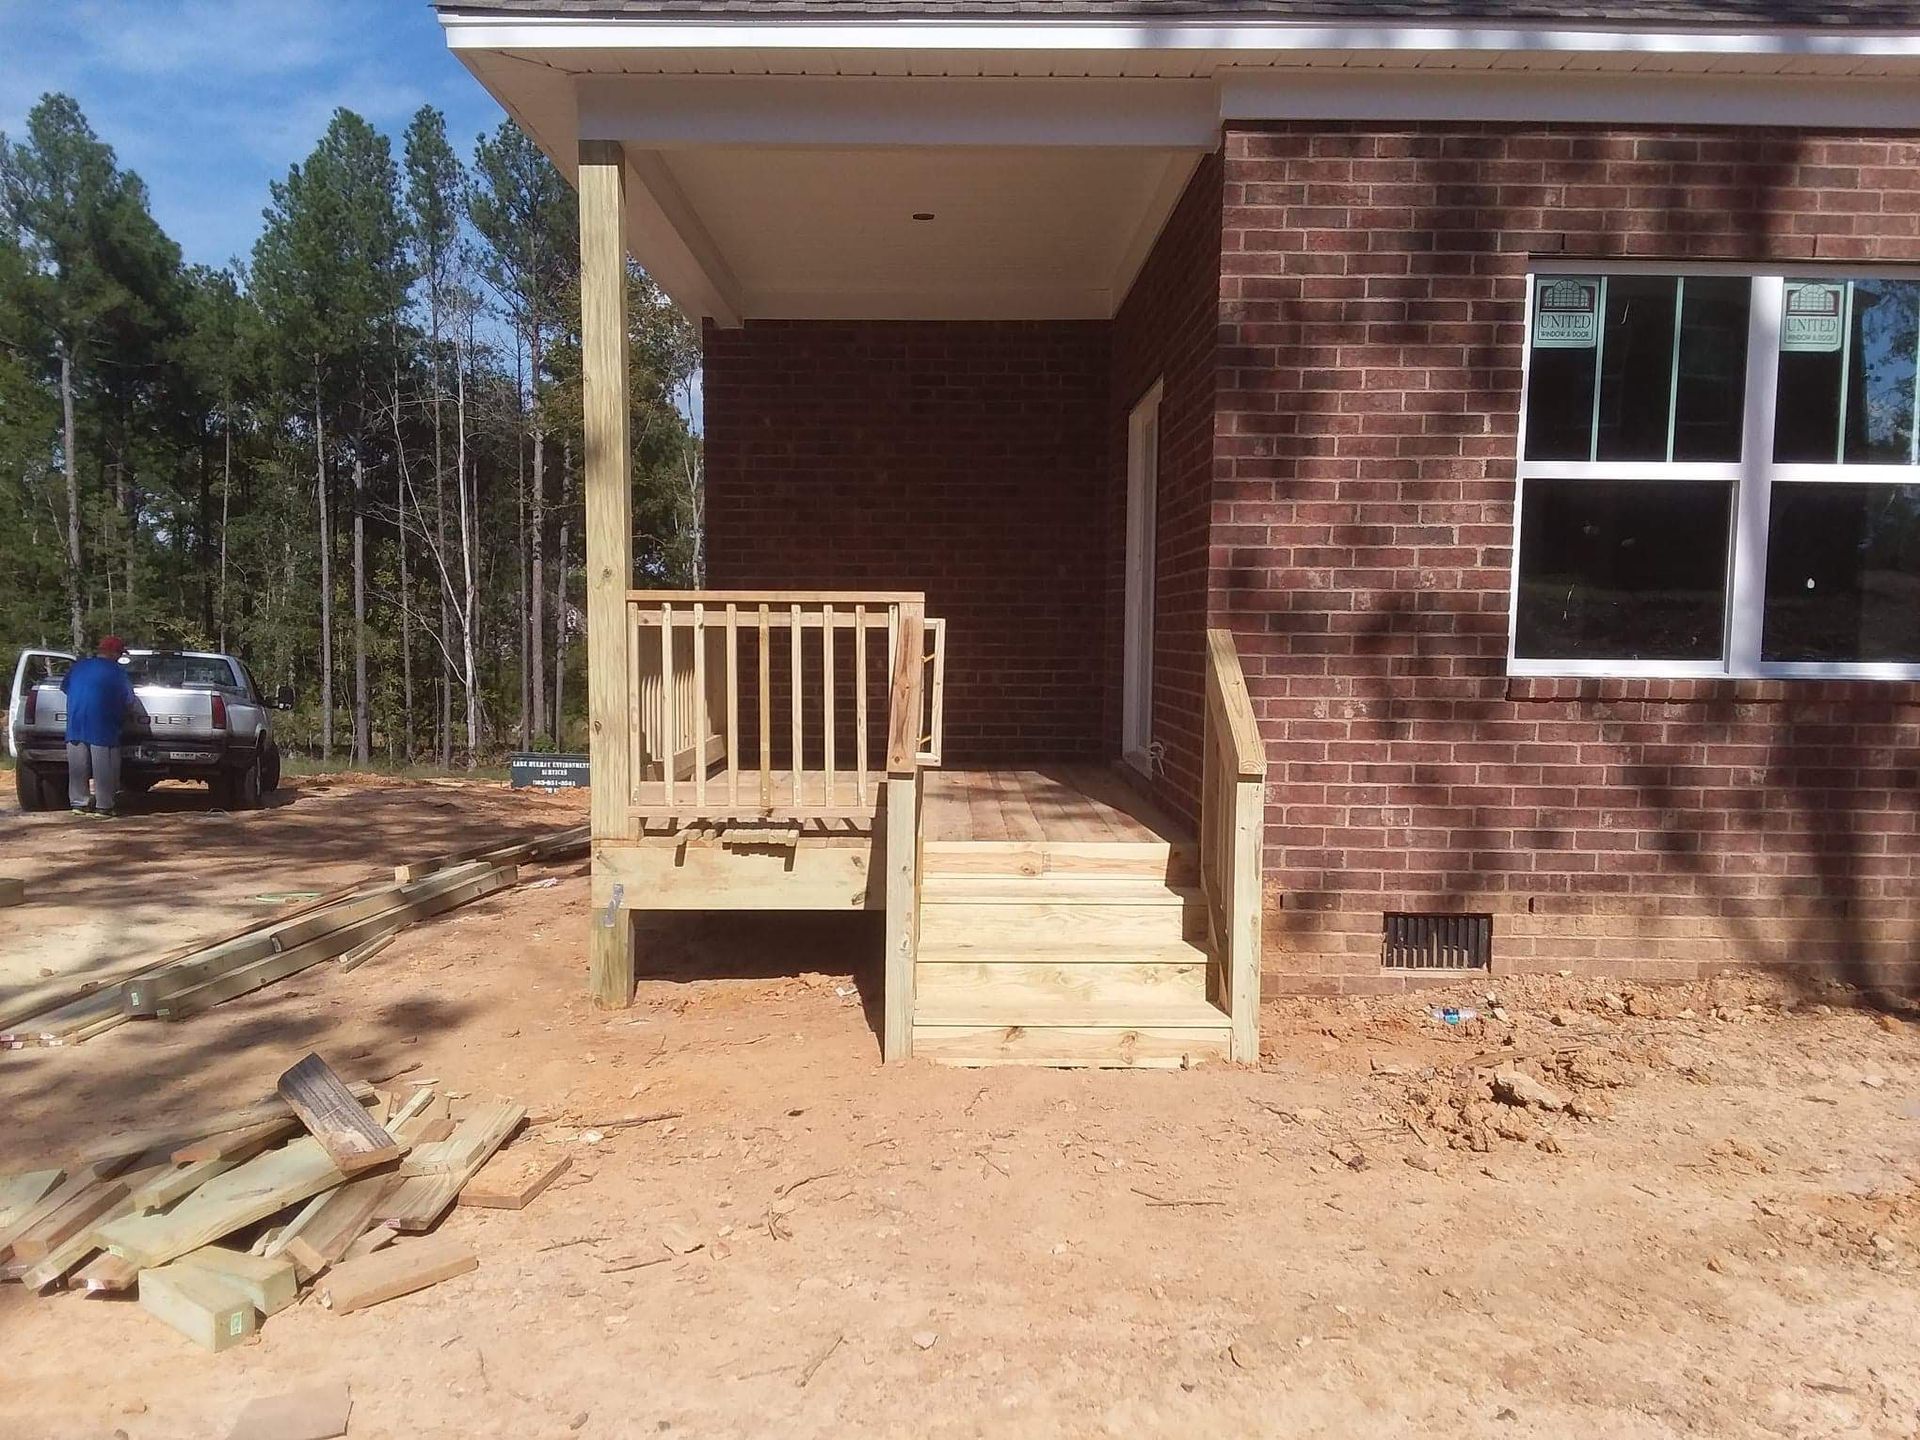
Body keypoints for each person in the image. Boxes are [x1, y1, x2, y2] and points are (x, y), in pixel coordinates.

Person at [60, 635, 139, 817]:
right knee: (105, 768)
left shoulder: (79, 666)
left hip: (76, 722)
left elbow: (65, 688)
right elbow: (129, 700)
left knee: (78, 766)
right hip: (103, 724)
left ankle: (79, 803)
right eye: (119, 653)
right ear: (114, 653)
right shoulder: (117, 672)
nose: (120, 657)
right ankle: (104, 806)